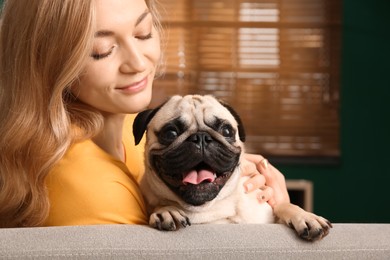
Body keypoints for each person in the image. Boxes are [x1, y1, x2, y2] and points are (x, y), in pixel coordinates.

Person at [0, 0, 289, 228]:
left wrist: (254, 194)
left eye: (143, 33)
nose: (138, 63)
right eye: (102, 50)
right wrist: (272, 231)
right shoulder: (95, 194)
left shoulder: (124, 124)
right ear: (48, 65)